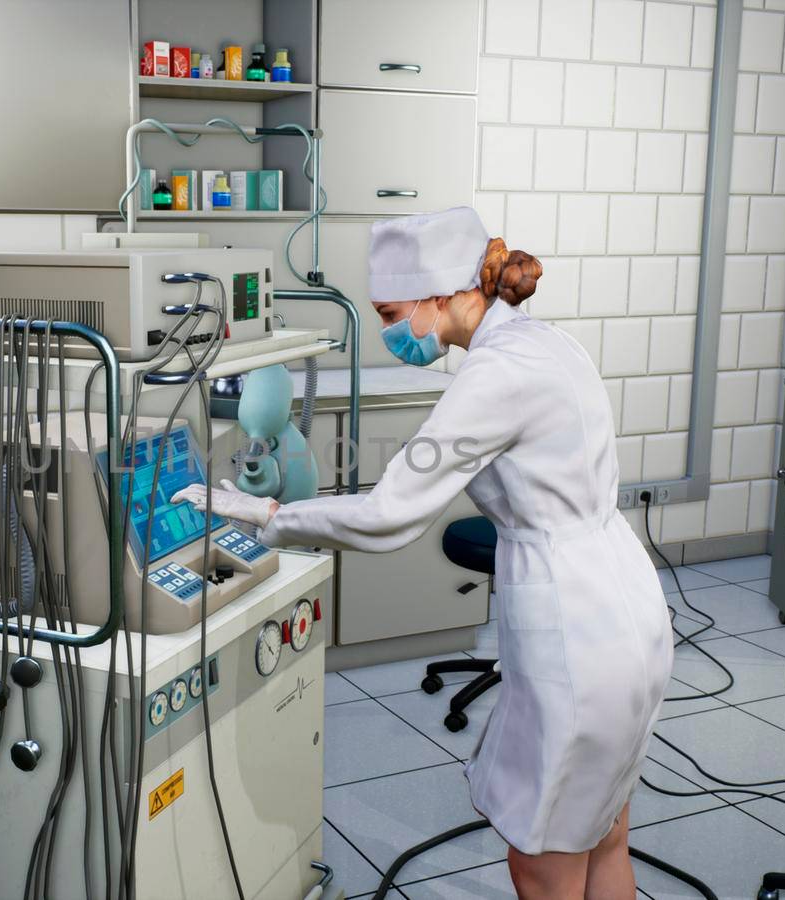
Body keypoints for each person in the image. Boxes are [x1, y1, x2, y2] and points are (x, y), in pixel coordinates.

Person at [172, 207, 674, 899]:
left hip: (573, 628)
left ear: (440, 294)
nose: (387, 332)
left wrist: (268, 514)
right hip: (630, 605)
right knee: (604, 830)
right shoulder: (549, 343)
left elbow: (389, 515)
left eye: (390, 311)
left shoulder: (493, 376)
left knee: (542, 858)